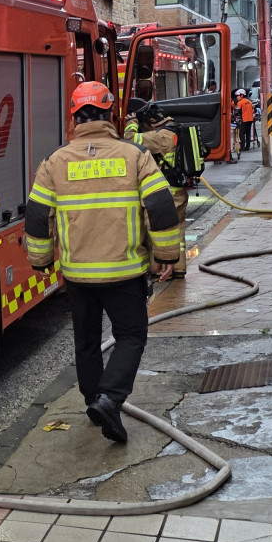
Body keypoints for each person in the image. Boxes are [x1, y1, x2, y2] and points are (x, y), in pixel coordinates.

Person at [25, 80, 181, 443]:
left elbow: (37, 215)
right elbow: (159, 207)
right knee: (131, 335)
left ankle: (94, 402)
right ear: (111, 114)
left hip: (78, 274)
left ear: (74, 117)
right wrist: (165, 255)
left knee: (86, 341)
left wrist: (41, 259)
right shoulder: (134, 156)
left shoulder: (55, 162)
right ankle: (110, 399)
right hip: (124, 272)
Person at [127, 99, 190, 278]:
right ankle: (179, 269)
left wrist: (131, 122)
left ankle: (159, 270)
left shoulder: (160, 136)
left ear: (152, 120)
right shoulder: (175, 129)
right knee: (178, 232)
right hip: (179, 192)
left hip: (167, 193)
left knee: (159, 230)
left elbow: (130, 140)